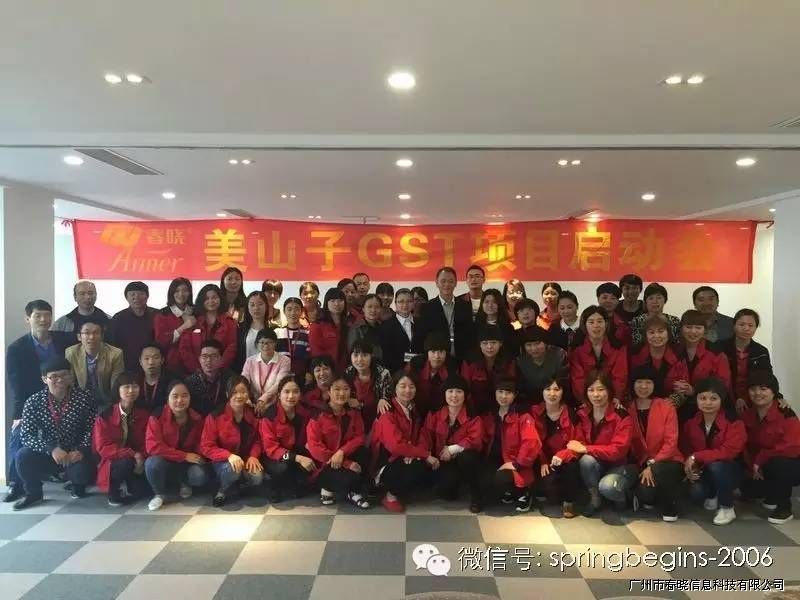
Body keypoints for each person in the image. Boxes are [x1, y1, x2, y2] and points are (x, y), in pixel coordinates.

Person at [5, 300, 74, 495]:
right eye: (38, 316)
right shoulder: (17, 348)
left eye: (47, 315)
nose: (43, 319)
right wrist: (18, 414)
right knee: (19, 435)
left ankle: (63, 472)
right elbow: (16, 384)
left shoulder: (65, 340)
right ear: (28, 319)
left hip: (63, 399)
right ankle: (16, 484)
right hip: (33, 403)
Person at [9, 357, 95, 510]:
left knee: (82, 474)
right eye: (54, 376)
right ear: (44, 379)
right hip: (49, 452)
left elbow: (92, 428)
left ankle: (77, 484)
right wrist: (51, 449)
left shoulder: (84, 397)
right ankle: (33, 493)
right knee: (22, 456)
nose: (60, 380)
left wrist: (81, 449)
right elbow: (27, 435)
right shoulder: (33, 402)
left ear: (71, 376)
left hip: (75, 452)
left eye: (64, 375)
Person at [680, 377, 746, 525]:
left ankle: (727, 507)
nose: (708, 403)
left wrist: (696, 456)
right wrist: (690, 467)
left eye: (713, 398)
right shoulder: (691, 422)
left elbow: (728, 452)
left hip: (730, 469)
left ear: (722, 399)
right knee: (695, 494)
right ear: (696, 400)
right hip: (703, 469)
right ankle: (712, 493)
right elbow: (686, 448)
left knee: (717, 466)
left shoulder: (734, 421)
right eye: (702, 398)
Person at [568, 371, 635, 516]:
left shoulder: (622, 416)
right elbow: (576, 442)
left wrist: (586, 448)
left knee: (608, 487)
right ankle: (595, 499)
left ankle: (623, 498)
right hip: (596, 464)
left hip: (619, 465)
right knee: (586, 461)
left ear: (609, 391)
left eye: (600, 389)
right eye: (591, 390)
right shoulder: (581, 413)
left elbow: (618, 451)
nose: (596, 395)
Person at [370, 371, 436, 512]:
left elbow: (421, 435)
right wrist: (423, 454)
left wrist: (415, 454)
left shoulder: (413, 409)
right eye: (403, 386)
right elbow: (395, 445)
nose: (407, 390)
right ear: (394, 388)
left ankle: (400, 489)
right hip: (387, 461)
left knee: (422, 466)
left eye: (411, 386)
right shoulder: (387, 411)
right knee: (417, 466)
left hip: (405, 455)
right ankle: (389, 495)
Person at [741, 371, 800, 524]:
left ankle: (784, 508)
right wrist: (752, 466)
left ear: (774, 392)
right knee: (749, 490)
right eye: (753, 389)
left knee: (779, 463)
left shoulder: (786, 414)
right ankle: (772, 495)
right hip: (759, 467)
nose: (757, 393)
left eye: (763, 389)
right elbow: (744, 445)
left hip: (789, 464)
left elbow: (792, 448)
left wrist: (760, 459)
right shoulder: (747, 415)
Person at [626, 366, 683, 522]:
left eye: (648, 382)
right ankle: (650, 498)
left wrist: (652, 463)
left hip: (669, 460)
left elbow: (671, 442)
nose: (643, 386)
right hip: (642, 463)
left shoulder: (666, 406)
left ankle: (670, 507)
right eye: (639, 382)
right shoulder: (628, 408)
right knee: (645, 493)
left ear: (655, 384)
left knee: (661, 469)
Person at [306, 375, 371, 509]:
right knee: (351, 477)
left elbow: (360, 437)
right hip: (325, 464)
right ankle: (327, 487)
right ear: (329, 392)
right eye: (337, 389)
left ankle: (352, 491)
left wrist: (342, 452)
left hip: (344, 456)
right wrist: (346, 463)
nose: (341, 393)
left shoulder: (353, 412)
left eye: (346, 389)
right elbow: (315, 448)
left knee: (365, 453)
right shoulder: (317, 416)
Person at [144, 380, 209, 511]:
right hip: (165, 460)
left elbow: (201, 443)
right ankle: (159, 494)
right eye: (175, 396)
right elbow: (153, 447)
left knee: (200, 475)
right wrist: (184, 456)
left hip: (187, 464)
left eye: (185, 396)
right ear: (168, 398)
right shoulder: (157, 416)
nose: (180, 400)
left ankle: (184, 482)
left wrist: (199, 455)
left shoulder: (197, 417)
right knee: (152, 464)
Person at [478, 378, 541, 512]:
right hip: (494, 459)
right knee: (483, 482)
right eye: (500, 392)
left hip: (516, 462)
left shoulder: (523, 415)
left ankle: (524, 492)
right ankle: (509, 490)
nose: (503, 396)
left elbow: (531, 442)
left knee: (501, 479)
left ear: (515, 394)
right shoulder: (489, 414)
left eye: (508, 393)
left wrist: (516, 464)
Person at [200, 375, 264, 507]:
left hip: (244, 459)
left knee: (257, 477)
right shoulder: (215, 416)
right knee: (232, 470)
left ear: (248, 393)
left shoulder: (253, 414)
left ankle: (238, 486)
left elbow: (258, 440)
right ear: (227, 394)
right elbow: (206, 446)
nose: (239, 396)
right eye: (234, 392)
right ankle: (221, 490)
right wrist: (228, 456)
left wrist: (253, 456)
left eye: (243, 391)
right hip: (222, 462)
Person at [423, 375, 483, 512]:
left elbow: (476, 440)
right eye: (450, 391)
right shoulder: (434, 414)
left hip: (464, 459)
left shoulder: (473, 416)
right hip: (442, 460)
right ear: (444, 394)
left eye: (459, 391)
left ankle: (476, 495)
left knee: (468, 457)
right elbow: (425, 436)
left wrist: (452, 449)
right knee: (447, 493)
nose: (454, 395)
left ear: (465, 395)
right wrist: (427, 455)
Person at [93, 372, 150, 506]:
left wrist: (141, 456)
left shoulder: (144, 414)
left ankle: (132, 484)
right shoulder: (105, 416)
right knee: (125, 464)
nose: (131, 391)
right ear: (117, 390)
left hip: (139, 459)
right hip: (113, 460)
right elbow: (103, 448)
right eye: (126, 387)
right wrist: (133, 454)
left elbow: (148, 441)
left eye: (135, 386)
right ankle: (113, 490)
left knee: (142, 492)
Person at [531, 378, 583, 518]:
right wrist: (542, 461)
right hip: (543, 460)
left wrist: (563, 455)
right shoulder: (534, 412)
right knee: (550, 489)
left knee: (572, 465)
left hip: (565, 458)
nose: (552, 393)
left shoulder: (571, 414)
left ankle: (569, 502)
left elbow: (578, 443)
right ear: (542, 392)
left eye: (556, 389)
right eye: (548, 389)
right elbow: (532, 440)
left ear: (563, 392)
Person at [260, 376, 314, 502]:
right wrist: (298, 458)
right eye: (286, 392)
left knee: (309, 464)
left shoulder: (305, 413)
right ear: (279, 395)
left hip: (295, 452)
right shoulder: (269, 416)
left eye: (295, 392)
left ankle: (293, 483)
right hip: (273, 456)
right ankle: (275, 486)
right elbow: (271, 449)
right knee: (282, 468)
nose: (291, 396)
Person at [673, 310, 732, 421]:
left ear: (705, 330)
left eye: (698, 328)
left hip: (709, 408)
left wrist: (694, 390)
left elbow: (723, 385)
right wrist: (676, 385)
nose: (693, 331)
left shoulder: (716, 352)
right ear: (681, 328)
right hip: (679, 406)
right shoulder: (675, 350)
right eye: (688, 327)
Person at [412, 266, 473, 363]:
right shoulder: (427, 307)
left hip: (461, 358)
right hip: (437, 359)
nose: (447, 284)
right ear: (437, 283)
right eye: (443, 281)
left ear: (456, 283)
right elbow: (422, 336)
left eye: (450, 281)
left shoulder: (465, 306)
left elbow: (469, 334)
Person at [717, 309, 772, 414]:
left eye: (751, 325)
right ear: (734, 326)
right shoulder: (720, 347)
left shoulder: (761, 351)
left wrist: (779, 396)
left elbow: (767, 377)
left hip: (753, 397)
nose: (746, 328)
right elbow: (717, 377)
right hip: (724, 396)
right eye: (741, 324)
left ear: (755, 328)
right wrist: (734, 399)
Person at [570, 306, 628, 405]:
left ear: (606, 324)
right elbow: (577, 379)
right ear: (584, 325)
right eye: (591, 322)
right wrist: (585, 401)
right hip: (586, 400)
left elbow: (620, 377)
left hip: (612, 399)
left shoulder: (618, 347)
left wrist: (616, 397)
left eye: (600, 321)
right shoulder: (577, 349)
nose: (596, 326)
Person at [65, 319, 125, 408]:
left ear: (102, 336)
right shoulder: (71, 352)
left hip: (107, 399)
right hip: (80, 400)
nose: (91, 337)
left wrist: (110, 406)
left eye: (96, 333)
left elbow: (115, 385)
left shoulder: (115, 354)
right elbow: (70, 382)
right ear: (79, 337)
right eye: (86, 333)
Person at [178, 284, 238, 373]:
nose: (211, 301)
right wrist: (197, 369)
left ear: (220, 299)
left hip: (222, 372)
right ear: (202, 301)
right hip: (196, 372)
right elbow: (184, 348)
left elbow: (231, 347)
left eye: (214, 297)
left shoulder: (229, 322)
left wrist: (219, 368)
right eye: (206, 298)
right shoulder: (193, 322)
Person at [460, 325, 516, 415]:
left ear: (500, 344)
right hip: (474, 409)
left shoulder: (509, 362)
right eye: (485, 343)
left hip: (502, 408)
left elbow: (510, 388)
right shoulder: (469, 362)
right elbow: (465, 388)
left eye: (493, 342)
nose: (489, 347)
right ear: (480, 345)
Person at [629, 316, 688, 399]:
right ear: (645, 335)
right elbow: (631, 386)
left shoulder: (678, 353)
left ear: (668, 333)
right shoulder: (636, 353)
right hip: (641, 401)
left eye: (661, 331)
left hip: (670, 403)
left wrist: (667, 403)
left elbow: (683, 389)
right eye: (651, 332)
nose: (656, 336)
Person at [406, 332, 459, 419]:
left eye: (441, 352)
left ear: (446, 353)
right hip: (415, 411)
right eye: (433, 351)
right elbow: (403, 384)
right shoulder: (416, 364)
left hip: (441, 415)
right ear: (427, 352)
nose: (437, 356)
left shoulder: (452, 367)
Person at [107, 281, 158, 370]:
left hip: (152, 365)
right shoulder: (118, 318)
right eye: (132, 294)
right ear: (126, 297)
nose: (136, 297)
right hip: (126, 366)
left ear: (147, 296)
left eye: (141, 294)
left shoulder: (157, 315)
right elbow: (112, 345)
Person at [343, 340, 392, 433]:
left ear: (371, 356)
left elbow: (390, 398)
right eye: (356, 355)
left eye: (364, 355)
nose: (360, 359)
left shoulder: (383, 374)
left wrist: (384, 399)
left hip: (376, 418)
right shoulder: (348, 372)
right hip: (354, 419)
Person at [516, 326, 569, 409]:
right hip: (530, 403)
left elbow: (564, 383)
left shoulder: (559, 355)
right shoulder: (520, 361)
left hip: (557, 400)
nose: (534, 348)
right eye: (529, 345)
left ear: (545, 343)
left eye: (537, 343)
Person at [241, 328, 292, 415]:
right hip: (252, 403)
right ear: (257, 344)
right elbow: (243, 381)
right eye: (262, 342)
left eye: (269, 342)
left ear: (275, 343)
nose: (265, 345)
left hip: (275, 405)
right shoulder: (250, 361)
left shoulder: (285, 360)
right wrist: (246, 398)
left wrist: (262, 400)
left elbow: (279, 384)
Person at [153, 277, 195, 375]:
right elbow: (161, 341)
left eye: (185, 291)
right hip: (171, 365)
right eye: (177, 291)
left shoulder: (196, 312)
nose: (181, 294)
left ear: (190, 293)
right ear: (171, 293)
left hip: (195, 364)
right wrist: (183, 327)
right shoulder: (163, 314)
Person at [184, 339, 236, 416]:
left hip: (225, 418)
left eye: (213, 356)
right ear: (199, 359)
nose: (208, 360)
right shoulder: (190, 382)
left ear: (221, 359)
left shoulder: (230, 378)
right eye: (204, 356)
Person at [309, 287, 350, 372]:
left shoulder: (349, 325)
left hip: (346, 371)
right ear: (326, 303)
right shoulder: (317, 325)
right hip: (325, 371)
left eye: (340, 300)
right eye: (332, 301)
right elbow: (316, 352)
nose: (337, 304)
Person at [630, 283, 681, 347]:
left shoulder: (674, 321)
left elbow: (677, 344)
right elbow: (636, 344)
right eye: (651, 298)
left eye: (659, 298)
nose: (655, 301)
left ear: (665, 300)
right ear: (646, 301)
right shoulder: (637, 321)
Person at [378, 287, 414, 374]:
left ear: (413, 303)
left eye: (409, 301)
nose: (405, 305)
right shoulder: (386, 326)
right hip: (395, 373)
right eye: (401, 301)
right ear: (395, 303)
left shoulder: (420, 323)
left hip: (418, 370)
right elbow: (386, 354)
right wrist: (403, 367)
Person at [275, 297, 311, 383]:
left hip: (302, 377)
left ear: (301, 312)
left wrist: (309, 372)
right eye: (289, 309)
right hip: (280, 377)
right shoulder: (277, 332)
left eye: (296, 309)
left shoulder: (308, 333)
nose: (293, 313)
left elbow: (310, 357)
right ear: (284, 311)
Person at [234, 291, 268, 374]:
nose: (256, 308)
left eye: (260, 304)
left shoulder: (274, 329)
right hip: (246, 374)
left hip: (267, 374)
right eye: (252, 305)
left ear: (266, 306)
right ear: (247, 307)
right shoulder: (240, 329)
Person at [346, 293, 384, 364]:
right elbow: (352, 352)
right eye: (369, 307)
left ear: (381, 309)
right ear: (363, 309)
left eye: (377, 307)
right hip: (362, 365)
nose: (373, 310)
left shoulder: (384, 327)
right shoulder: (356, 328)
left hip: (381, 366)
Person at [137, 343, 175, 412]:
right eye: (146, 358)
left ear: (162, 360)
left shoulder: (172, 382)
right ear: (140, 361)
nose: (151, 362)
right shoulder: (135, 382)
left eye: (156, 358)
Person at [596, 282, 631, 348]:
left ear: (618, 301)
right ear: (598, 299)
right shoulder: (588, 318)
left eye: (613, 298)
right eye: (605, 297)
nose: (608, 301)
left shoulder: (624, 323)